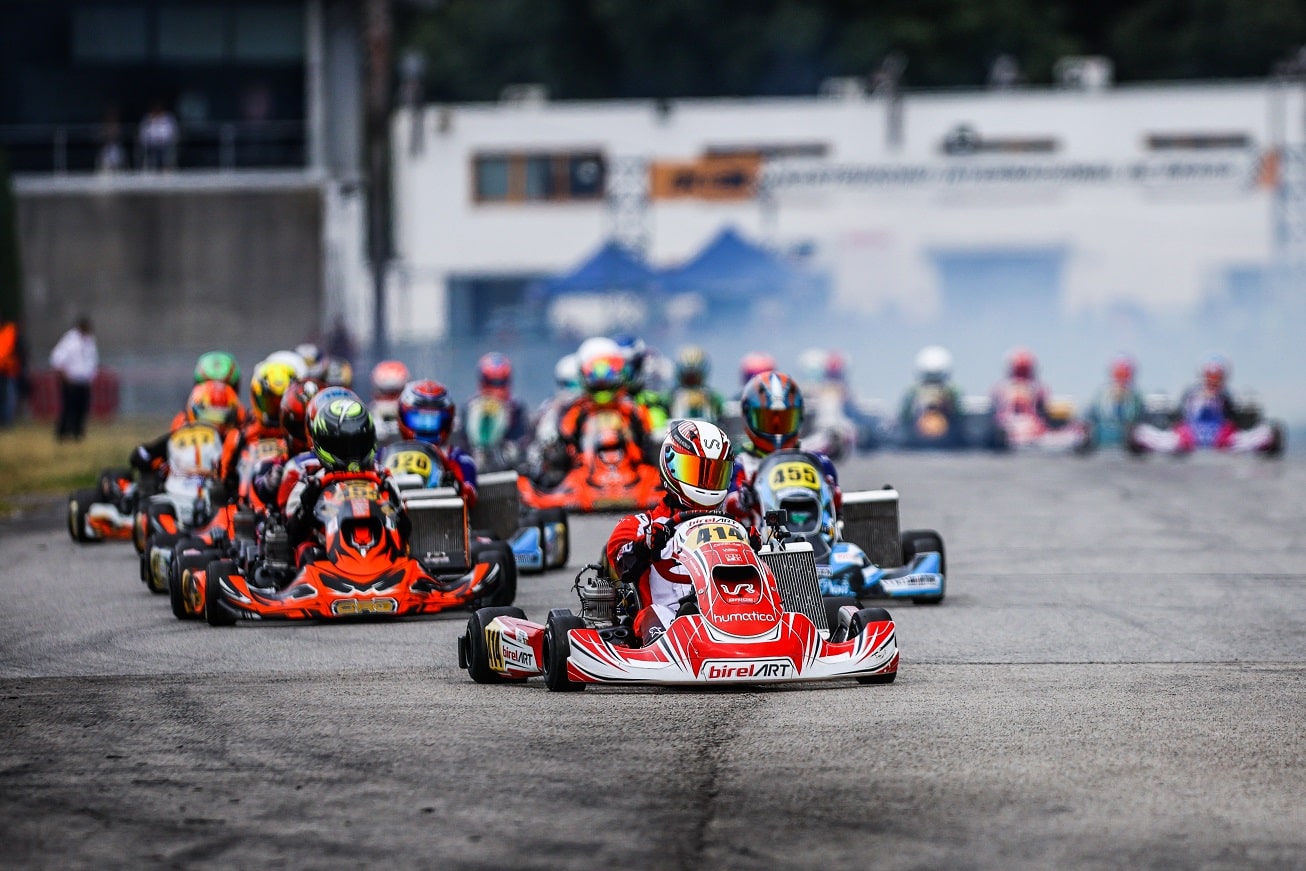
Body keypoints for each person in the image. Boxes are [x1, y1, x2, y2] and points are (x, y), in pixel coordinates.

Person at [604, 419, 741, 645]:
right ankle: (684, 633)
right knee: (657, 614)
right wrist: (645, 545)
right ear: (671, 466)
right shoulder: (641, 525)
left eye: (714, 474)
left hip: (728, 612)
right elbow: (620, 560)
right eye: (697, 472)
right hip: (667, 618)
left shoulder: (734, 525)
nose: (705, 484)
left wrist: (755, 545)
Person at [284, 388, 408, 561]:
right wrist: (308, 501)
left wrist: (393, 500)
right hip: (325, 559)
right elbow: (292, 534)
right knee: (305, 551)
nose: (351, 453)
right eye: (343, 446)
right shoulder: (310, 480)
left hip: (383, 555)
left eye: (357, 444)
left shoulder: (383, 477)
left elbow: (406, 529)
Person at [724, 370, 840, 524]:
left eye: (785, 420)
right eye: (768, 421)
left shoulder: (818, 462)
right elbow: (729, 505)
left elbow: (837, 505)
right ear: (748, 417)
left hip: (816, 540)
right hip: (762, 543)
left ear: (798, 418)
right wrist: (744, 499)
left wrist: (830, 492)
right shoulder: (740, 466)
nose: (777, 430)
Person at [378, 380, 478, 505]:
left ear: (448, 420)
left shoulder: (460, 459)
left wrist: (454, 482)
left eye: (433, 420)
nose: (426, 426)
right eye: (419, 419)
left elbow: (470, 495)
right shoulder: (382, 456)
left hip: (440, 518)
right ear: (402, 417)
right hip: (390, 514)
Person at [556, 341, 653, 466]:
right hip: (586, 477)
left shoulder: (632, 408)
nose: (602, 380)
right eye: (593, 371)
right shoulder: (578, 412)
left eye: (609, 370)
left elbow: (648, 441)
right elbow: (566, 442)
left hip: (633, 474)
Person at [50, 315, 98, 441]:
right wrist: (64, 376)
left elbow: (92, 360)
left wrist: (91, 377)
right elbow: (57, 358)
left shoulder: (89, 341)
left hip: (84, 381)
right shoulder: (70, 340)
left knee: (82, 409)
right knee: (68, 409)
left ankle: (78, 434)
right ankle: (63, 434)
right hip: (71, 381)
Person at [898, 345, 964, 437]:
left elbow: (961, 416)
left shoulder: (953, 391)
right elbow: (903, 418)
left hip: (950, 439)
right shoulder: (912, 392)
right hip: (915, 440)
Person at [1086, 354, 1145, 441]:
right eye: (1118, 375)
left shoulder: (1137, 400)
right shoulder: (1101, 398)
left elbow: (1143, 422)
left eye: (1125, 375)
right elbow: (1089, 419)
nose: (1121, 381)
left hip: (1130, 448)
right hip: (1101, 445)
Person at [666, 345, 724, 424]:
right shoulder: (669, 397)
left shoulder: (714, 397)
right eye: (688, 377)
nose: (691, 380)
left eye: (694, 376)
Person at [369, 359, 410, 447]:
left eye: (395, 393)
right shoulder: (368, 418)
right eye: (384, 393)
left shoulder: (411, 419)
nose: (389, 399)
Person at [138, 102, 178, 171]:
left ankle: (167, 170)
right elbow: (143, 135)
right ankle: (151, 170)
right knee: (151, 153)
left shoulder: (168, 118)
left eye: (159, 108)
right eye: (155, 109)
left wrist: (162, 140)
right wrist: (152, 141)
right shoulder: (147, 119)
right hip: (151, 146)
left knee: (167, 151)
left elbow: (173, 133)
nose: (157, 110)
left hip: (165, 145)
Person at [0, 315, 19, 426]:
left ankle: (6, 421)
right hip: (6, 370)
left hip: (8, 371)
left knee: (8, 398)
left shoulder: (10, 332)